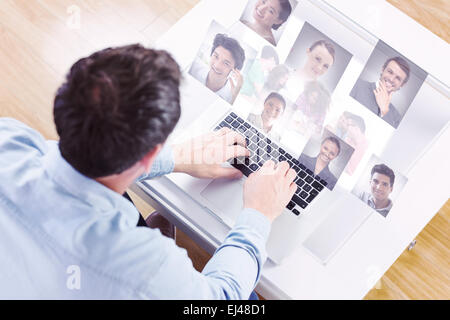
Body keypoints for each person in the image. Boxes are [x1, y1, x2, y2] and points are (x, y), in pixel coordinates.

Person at [0, 44, 297, 299]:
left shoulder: (8, 139)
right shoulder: (145, 271)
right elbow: (221, 297)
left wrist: (177, 157)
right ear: (151, 153)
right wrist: (257, 214)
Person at [350, 56, 410, 128]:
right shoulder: (356, 85)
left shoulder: (396, 118)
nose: (391, 79)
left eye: (398, 78)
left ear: (402, 84)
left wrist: (384, 111)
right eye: (390, 72)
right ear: (382, 70)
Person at [189, 33, 246, 104]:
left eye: (226, 63)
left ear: (234, 71)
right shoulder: (192, 67)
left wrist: (233, 99)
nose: (217, 65)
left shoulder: (231, 97)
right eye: (216, 56)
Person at [328, 111, 368, 175]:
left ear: (356, 128)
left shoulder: (365, 148)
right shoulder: (349, 139)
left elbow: (350, 171)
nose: (346, 127)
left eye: (348, 125)